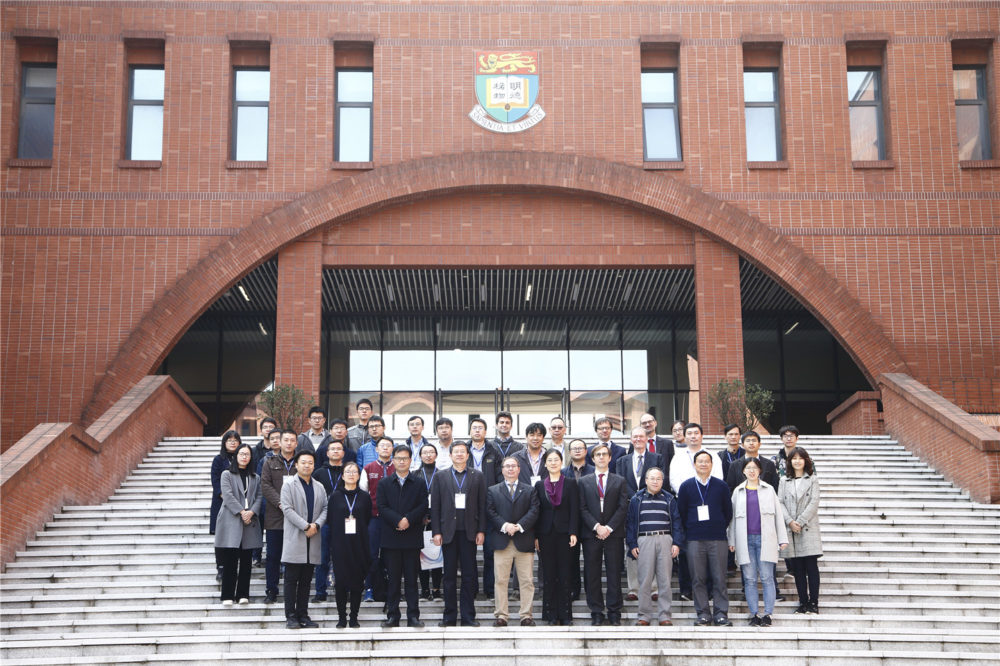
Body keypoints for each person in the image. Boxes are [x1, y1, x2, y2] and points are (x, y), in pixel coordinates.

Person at [431, 441, 487, 627]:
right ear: (450, 455)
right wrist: (436, 531)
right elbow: (436, 506)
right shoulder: (440, 476)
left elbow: (482, 505)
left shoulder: (477, 476)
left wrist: (481, 530)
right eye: (456, 452)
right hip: (448, 533)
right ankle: (449, 616)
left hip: (469, 532)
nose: (460, 455)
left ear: (468, 455)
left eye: (463, 452)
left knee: (469, 575)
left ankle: (468, 616)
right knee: (448, 576)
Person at [728, 457, 788, 626]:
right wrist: (731, 540)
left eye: (755, 467)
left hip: (766, 539)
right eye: (748, 468)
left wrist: (782, 539)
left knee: (768, 577)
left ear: (760, 470)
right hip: (744, 540)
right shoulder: (738, 492)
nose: (752, 471)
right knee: (749, 579)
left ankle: (768, 614)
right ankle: (754, 613)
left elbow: (778, 516)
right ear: (743, 471)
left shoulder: (769, 490)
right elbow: (732, 520)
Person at [677, 450, 734, 626]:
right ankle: (702, 613)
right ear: (694, 465)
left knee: (719, 577)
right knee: (698, 578)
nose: (703, 464)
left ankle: (721, 613)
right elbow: (681, 512)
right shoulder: (686, 486)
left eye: (706, 461)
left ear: (711, 464)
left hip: (717, 538)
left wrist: (717, 525)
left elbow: (728, 512)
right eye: (700, 461)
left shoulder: (721, 486)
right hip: (694, 539)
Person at [668, 422, 722, 600]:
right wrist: (689, 494)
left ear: (702, 435)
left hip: (710, 506)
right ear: (684, 436)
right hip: (686, 505)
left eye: (696, 433)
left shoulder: (713, 455)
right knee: (686, 548)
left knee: (708, 550)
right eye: (689, 433)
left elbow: (719, 479)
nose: (693, 436)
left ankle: (710, 589)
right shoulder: (678, 457)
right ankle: (686, 589)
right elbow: (674, 480)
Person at [578, 442, 630, 626]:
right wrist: (596, 527)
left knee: (614, 573)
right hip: (591, 534)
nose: (601, 457)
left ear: (609, 458)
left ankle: (615, 612)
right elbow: (581, 508)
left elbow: (623, 506)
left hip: (613, 534)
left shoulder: (619, 480)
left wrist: (608, 528)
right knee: (592, 574)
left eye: (604, 454)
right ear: (592, 459)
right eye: (597, 454)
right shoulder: (583, 481)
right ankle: (597, 611)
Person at [625, 466, 684, 626]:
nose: (655, 481)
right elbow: (630, 523)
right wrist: (632, 544)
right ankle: (644, 616)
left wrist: (677, 543)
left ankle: (665, 616)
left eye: (658, 478)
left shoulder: (669, 498)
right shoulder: (637, 499)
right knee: (644, 580)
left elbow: (677, 522)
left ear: (662, 481)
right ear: (646, 480)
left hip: (665, 539)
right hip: (644, 541)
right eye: (652, 478)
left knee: (665, 580)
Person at [377, 445, 427, 628]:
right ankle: (393, 616)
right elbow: (381, 507)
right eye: (398, 458)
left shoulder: (419, 483)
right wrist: (398, 520)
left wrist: (408, 520)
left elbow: (423, 505)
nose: (402, 461)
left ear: (411, 460)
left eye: (405, 458)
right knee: (393, 581)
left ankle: (413, 616)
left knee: (412, 580)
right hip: (391, 539)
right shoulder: (384, 483)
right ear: (393, 460)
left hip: (412, 538)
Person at [486, 456, 540, 627]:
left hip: (523, 540)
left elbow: (534, 510)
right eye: (507, 466)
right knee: (500, 580)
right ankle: (502, 615)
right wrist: (505, 525)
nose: (510, 469)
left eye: (513, 466)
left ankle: (526, 615)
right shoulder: (493, 490)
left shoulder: (530, 490)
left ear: (519, 469)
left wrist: (519, 526)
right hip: (502, 541)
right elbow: (490, 511)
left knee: (526, 581)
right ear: (502, 470)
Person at [280, 451, 328, 629]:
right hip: (296, 536)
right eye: (303, 462)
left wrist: (316, 525)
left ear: (314, 465)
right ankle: (291, 616)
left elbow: (325, 508)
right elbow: (287, 508)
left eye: (310, 463)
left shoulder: (319, 486)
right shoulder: (289, 485)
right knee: (291, 579)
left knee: (307, 580)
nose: (307, 465)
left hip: (313, 537)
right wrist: (306, 526)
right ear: (296, 465)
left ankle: (303, 614)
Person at [617, 426, 664, 601]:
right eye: (634, 436)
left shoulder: (657, 458)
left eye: (641, 436)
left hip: (651, 507)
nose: (638, 439)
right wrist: (633, 497)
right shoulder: (622, 461)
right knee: (632, 546)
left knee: (652, 547)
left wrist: (643, 496)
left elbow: (659, 481)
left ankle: (653, 588)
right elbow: (619, 483)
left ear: (647, 439)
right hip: (628, 508)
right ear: (630, 439)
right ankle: (634, 588)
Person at [533, 449, 579, 626]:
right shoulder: (539, 485)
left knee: (565, 573)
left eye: (556, 460)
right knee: (549, 574)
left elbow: (575, 509)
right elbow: (537, 512)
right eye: (549, 460)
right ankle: (551, 614)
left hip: (565, 533)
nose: (553, 463)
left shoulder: (570, 483)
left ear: (562, 462)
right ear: (545, 464)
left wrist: (573, 531)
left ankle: (565, 614)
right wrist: (536, 536)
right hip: (545, 534)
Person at [214, 443, 263, 605]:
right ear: (236, 456)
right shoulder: (226, 474)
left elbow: (259, 497)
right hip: (232, 519)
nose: (244, 457)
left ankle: (243, 594)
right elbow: (227, 496)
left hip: (250, 521)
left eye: (247, 454)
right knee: (230, 560)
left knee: (246, 560)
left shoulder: (255, 477)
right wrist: (242, 512)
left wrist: (251, 512)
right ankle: (227, 595)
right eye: (241, 454)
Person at [778, 446, 823, 615]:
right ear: (789, 462)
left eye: (800, 458)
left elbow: (814, 502)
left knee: (811, 568)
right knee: (798, 570)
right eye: (793, 458)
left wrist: (800, 521)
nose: (797, 461)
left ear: (806, 460)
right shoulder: (784, 480)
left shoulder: (812, 479)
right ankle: (803, 602)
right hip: (791, 530)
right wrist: (790, 522)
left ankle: (814, 603)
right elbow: (779, 502)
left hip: (808, 528)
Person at [328, 462, 371, 628]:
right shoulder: (336, 496)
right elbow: (331, 520)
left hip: (359, 544)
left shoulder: (364, 497)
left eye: (354, 471)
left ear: (359, 475)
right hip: (340, 544)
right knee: (341, 583)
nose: (351, 474)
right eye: (348, 471)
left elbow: (367, 518)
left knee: (356, 583)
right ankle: (341, 617)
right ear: (343, 475)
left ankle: (354, 616)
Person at [261, 429, 300, 603]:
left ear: (296, 443)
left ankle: (293, 591)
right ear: (279, 442)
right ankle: (271, 590)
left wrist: (293, 507)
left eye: (292, 440)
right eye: (286, 440)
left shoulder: (302, 462)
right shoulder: (269, 462)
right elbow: (265, 486)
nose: (289, 443)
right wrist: (281, 503)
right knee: (273, 556)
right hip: (275, 517)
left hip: (297, 517)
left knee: (294, 557)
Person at [466, 417, 503, 600]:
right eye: (474, 428)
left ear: (486, 432)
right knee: (468, 552)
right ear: (470, 431)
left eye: (481, 428)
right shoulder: (462, 451)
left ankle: (489, 589)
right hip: (467, 507)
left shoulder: (494, 452)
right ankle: (471, 589)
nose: (477, 431)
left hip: (489, 505)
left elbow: (500, 478)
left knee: (490, 551)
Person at [313, 440, 351, 602]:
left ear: (343, 453)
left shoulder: (350, 471)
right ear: (327, 453)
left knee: (346, 557)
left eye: (339, 449)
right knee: (322, 557)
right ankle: (320, 591)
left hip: (347, 520)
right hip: (324, 520)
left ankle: (344, 590)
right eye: (332, 449)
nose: (335, 452)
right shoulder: (319, 473)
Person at [362, 437, 395, 603]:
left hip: (393, 521)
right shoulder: (368, 468)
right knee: (372, 555)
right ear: (376, 449)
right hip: (373, 519)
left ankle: (392, 589)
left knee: (392, 556)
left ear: (392, 448)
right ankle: (369, 588)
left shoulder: (398, 467)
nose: (385, 448)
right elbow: (363, 493)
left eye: (388, 446)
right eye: (382, 446)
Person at [561, 438, 592, 600]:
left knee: (590, 558)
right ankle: (574, 589)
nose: (577, 451)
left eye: (581, 448)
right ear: (569, 452)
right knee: (571, 558)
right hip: (570, 521)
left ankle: (590, 591)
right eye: (574, 448)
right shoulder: (562, 473)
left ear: (586, 451)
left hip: (590, 521)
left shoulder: (593, 471)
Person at [210, 431, 241, 581]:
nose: (233, 443)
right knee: (221, 536)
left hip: (240, 504)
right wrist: (228, 499)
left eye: (235, 440)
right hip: (221, 503)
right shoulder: (218, 460)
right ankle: (221, 567)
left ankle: (233, 565)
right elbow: (215, 482)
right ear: (224, 442)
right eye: (229, 440)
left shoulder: (242, 459)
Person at [416, 442, 443, 601]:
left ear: (436, 455)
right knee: (422, 556)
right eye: (424, 452)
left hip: (438, 520)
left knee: (437, 554)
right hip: (420, 521)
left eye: (431, 452)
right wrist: (421, 516)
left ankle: (437, 589)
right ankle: (425, 590)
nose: (428, 455)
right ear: (420, 456)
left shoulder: (442, 474)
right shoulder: (415, 474)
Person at [512, 422, 547, 486]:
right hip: (523, 494)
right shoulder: (515, 458)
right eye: (532, 435)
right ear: (526, 437)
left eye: (539, 435)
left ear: (543, 438)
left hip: (545, 494)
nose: (535, 438)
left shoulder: (549, 457)